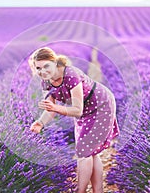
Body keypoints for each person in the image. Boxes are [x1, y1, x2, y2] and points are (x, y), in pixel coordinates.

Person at [29, 47, 119, 193]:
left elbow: (77, 109)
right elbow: (50, 109)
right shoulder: (46, 82)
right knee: (90, 152)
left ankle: (80, 190)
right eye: (38, 68)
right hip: (84, 112)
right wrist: (40, 123)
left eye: (46, 66)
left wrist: (56, 108)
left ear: (54, 62)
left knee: (83, 152)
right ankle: (98, 190)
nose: (43, 71)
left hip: (101, 106)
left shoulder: (70, 75)